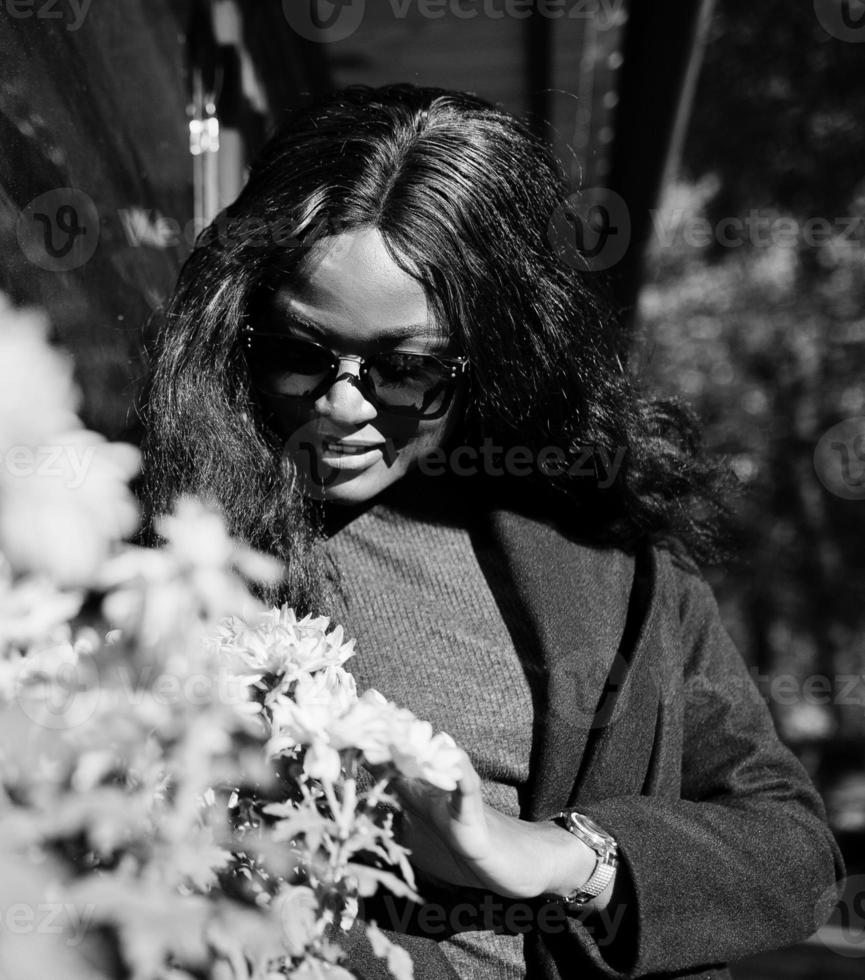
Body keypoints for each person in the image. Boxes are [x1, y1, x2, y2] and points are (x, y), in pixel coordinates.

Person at [140, 84, 844, 979]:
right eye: (300, 354)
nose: (343, 405)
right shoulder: (177, 556)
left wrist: (556, 856)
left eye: (404, 369)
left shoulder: (612, 549)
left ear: (495, 348)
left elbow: (791, 848)